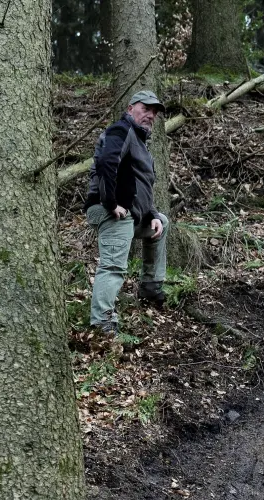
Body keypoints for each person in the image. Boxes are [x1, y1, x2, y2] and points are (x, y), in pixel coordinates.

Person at [85, 90, 169, 337]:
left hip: (129, 212)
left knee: (162, 222)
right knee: (113, 266)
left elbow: (142, 187)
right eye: (146, 108)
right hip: (111, 212)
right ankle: (102, 322)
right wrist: (110, 203)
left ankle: (150, 286)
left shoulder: (140, 142)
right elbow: (105, 163)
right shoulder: (121, 130)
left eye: (154, 112)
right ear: (131, 108)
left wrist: (152, 214)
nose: (150, 115)